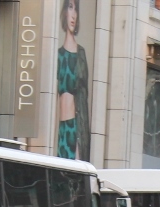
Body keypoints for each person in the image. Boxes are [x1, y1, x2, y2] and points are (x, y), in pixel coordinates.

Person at [56, 0, 91, 162]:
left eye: (76, 10)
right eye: (70, 8)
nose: (73, 15)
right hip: (61, 128)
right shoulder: (58, 54)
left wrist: (80, 139)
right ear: (64, 12)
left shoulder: (80, 54)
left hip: (74, 127)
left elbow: (84, 98)